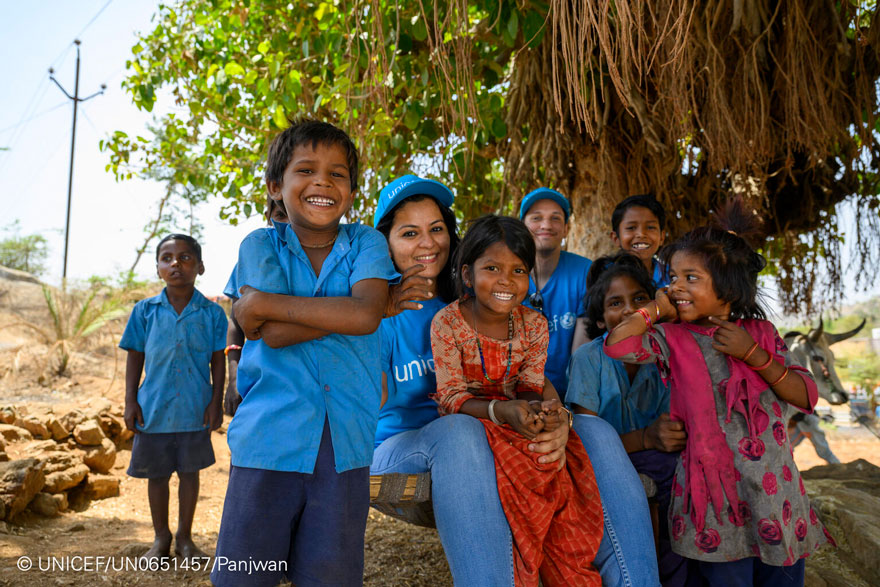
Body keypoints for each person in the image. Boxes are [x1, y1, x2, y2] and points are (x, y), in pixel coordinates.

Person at [372, 175, 660, 586]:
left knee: (593, 429)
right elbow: (364, 399)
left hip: (494, 431)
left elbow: (529, 377)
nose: (427, 243)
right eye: (409, 232)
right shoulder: (378, 308)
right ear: (386, 241)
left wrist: (557, 417)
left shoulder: (479, 302)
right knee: (459, 431)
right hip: (406, 443)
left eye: (436, 229)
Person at [605, 200, 834, 586]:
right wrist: (653, 311)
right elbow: (617, 345)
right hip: (713, 499)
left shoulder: (762, 336)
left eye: (690, 278)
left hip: (771, 490)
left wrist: (754, 355)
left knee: (781, 577)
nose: (675, 286)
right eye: (673, 276)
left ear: (728, 286)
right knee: (727, 579)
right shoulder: (671, 338)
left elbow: (806, 393)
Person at [211, 119, 396, 587]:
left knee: (328, 576)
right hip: (268, 438)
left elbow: (364, 319)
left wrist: (267, 304)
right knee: (244, 576)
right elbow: (270, 334)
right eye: (306, 170)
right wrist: (350, 312)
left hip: (345, 442)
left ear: (353, 190)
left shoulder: (367, 243)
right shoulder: (260, 244)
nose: (322, 183)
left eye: (338, 174)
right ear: (277, 185)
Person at [431, 214, 603, 586]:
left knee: (561, 463)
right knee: (529, 470)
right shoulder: (448, 323)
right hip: (474, 423)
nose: (506, 280)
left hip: (516, 417)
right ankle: (522, 562)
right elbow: (450, 397)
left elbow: (529, 382)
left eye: (518, 270)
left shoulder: (535, 323)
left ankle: (565, 567)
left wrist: (537, 412)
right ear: (466, 274)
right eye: (492, 267)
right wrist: (501, 411)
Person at [567, 253, 694, 586]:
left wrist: (667, 437)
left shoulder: (665, 355)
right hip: (602, 467)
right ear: (598, 320)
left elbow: (676, 428)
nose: (628, 310)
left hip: (659, 461)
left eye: (639, 299)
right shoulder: (588, 359)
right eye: (615, 303)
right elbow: (584, 445)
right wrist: (646, 439)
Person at [120, 234, 227, 560]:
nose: (176, 264)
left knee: (190, 473)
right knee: (157, 476)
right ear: (157, 268)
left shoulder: (212, 314)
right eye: (167, 258)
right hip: (154, 408)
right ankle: (160, 538)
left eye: (185, 257)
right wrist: (130, 401)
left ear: (200, 266)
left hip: (194, 407)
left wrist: (215, 402)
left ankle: (185, 538)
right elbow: (135, 355)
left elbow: (218, 359)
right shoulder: (145, 311)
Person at [519, 188, 592, 398]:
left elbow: (581, 356)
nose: (546, 225)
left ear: (566, 228)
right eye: (536, 218)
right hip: (518, 395)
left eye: (555, 218)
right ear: (522, 226)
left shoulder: (586, 272)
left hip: (571, 394)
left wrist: (571, 404)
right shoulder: (507, 275)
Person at [222, 196, 289, 416]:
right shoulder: (252, 259)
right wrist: (234, 379)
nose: (288, 223)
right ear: (269, 218)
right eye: (280, 215)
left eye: (294, 215)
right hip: (258, 379)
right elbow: (235, 322)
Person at [610, 194, 669, 287]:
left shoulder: (672, 276)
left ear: (661, 237)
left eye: (650, 227)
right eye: (631, 228)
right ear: (616, 238)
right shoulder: (604, 277)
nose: (641, 234)